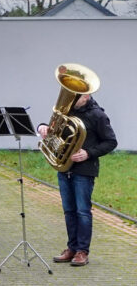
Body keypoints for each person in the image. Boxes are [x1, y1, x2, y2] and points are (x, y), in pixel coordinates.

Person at [37, 92, 116, 267]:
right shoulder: (66, 111)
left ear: (86, 96)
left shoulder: (98, 115)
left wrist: (89, 153)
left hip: (84, 170)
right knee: (69, 211)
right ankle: (71, 248)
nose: (71, 99)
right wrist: (42, 127)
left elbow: (111, 142)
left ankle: (82, 252)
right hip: (64, 168)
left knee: (82, 211)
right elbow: (52, 129)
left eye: (76, 96)